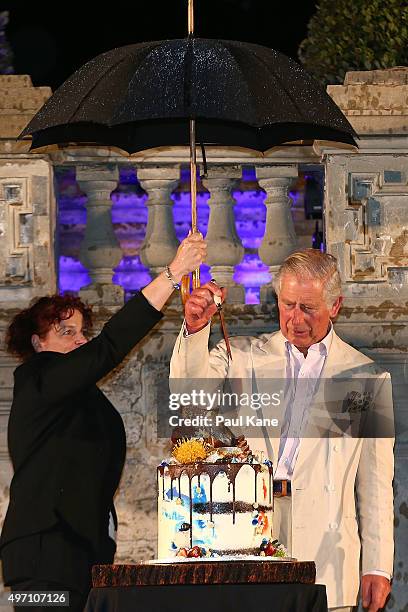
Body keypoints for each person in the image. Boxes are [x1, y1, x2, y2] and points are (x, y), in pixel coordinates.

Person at [170, 248, 394, 612]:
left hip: (328, 555)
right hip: (247, 544)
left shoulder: (365, 377)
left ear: (335, 305)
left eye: (308, 307)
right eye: (288, 304)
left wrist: (378, 565)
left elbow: (376, 485)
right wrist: (196, 329)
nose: (295, 319)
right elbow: (187, 395)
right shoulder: (240, 356)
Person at [0, 232, 206, 611]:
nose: (80, 341)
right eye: (66, 332)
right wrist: (174, 273)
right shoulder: (37, 378)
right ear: (36, 343)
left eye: (83, 333)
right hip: (44, 555)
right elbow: (110, 345)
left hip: (79, 553)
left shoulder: (74, 394)